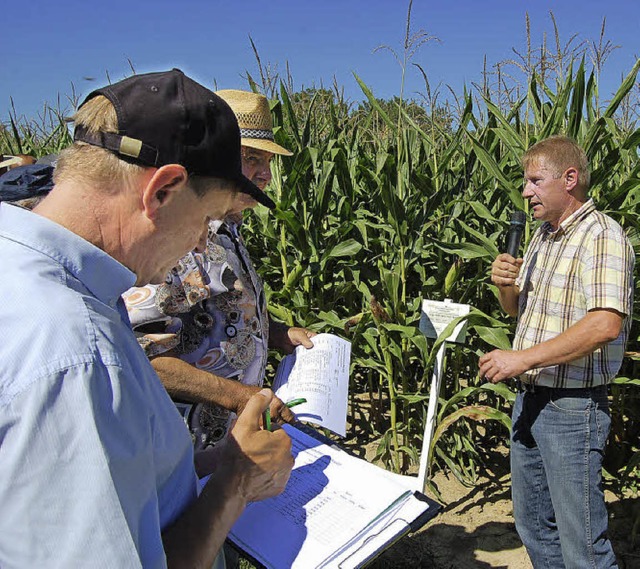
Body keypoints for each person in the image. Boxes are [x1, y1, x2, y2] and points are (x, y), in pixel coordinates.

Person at [0, 69, 293, 568]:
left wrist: (211, 464)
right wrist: (235, 485)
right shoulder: (76, 354)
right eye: (204, 219)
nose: (204, 241)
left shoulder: (29, 272)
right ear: (163, 190)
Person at [123, 89, 316, 453]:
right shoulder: (177, 236)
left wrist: (276, 333)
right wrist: (241, 397)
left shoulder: (229, 229)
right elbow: (143, 356)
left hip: (228, 444)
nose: (265, 176)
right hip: (186, 449)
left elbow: (215, 317)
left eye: (269, 162)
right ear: (215, 158)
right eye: (251, 159)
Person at [479, 136, 634, 568]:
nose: (525, 191)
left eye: (534, 181)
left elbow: (605, 323)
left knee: (582, 543)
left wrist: (521, 359)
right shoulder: (543, 237)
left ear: (569, 179)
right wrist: (506, 286)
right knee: (533, 527)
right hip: (530, 399)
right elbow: (518, 312)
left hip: (572, 409)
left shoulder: (601, 235)